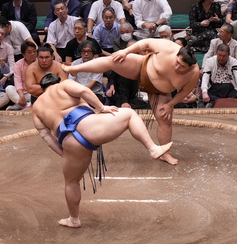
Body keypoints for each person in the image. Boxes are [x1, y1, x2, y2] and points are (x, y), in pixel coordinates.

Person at [33, 75, 172, 227]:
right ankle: (153, 148)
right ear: (57, 82)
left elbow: (46, 137)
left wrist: (64, 153)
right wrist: (102, 107)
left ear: (41, 89)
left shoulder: (37, 107)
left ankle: (73, 219)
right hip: (87, 124)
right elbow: (83, 90)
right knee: (130, 115)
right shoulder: (63, 85)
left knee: (71, 182)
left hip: (68, 140)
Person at [63, 39, 199, 166]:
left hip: (160, 92)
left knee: (165, 119)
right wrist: (126, 51)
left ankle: (164, 153)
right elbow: (145, 43)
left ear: (189, 67)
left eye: (182, 67)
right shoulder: (168, 47)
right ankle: (74, 69)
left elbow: (184, 92)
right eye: (177, 62)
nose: (176, 67)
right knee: (114, 60)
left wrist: (170, 104)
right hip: (143, 68)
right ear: (176, 54)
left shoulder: (193, 74)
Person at [5, 41, 37, 110]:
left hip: (35, 94)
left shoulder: (39, 62)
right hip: (22, 94)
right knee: (9, 89)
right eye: (30, 52)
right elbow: (17, 81)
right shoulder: (18, 64)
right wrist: (21, 95)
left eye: (34, 51)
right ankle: (26, 106)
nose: (33, 54)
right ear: (23, 54)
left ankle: (19, 106)